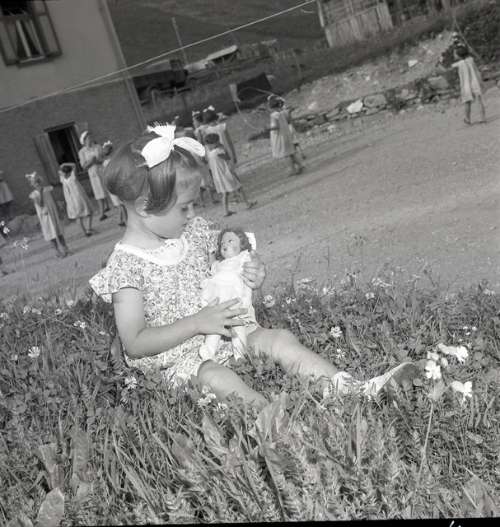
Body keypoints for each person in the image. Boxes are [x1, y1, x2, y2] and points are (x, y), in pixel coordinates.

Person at [89, 126, 418, 409]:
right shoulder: (126, 266)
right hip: (178, 361)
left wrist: (249, 270)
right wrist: (196, 323)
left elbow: (228, 257)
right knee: (217, 377)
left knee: (280, 339)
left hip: (228, 336)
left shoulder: (192, 233)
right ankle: (273, 421)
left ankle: (352, 390)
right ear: (145, 208)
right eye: (184, 208)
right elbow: (135, 342)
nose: (192, 215)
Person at [199, 228, 257, 361]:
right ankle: (209, 349)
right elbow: (212, 266)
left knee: (237, 324)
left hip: (234, 295)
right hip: (219, 296)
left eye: (230, 241)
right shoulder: (220, 264)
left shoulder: (243, 258)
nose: (225, 245)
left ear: (241, 244)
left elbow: (248, 280)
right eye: (222, 243)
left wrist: (246, 298)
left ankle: (240, 354)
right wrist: (211, 254)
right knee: (216, 325)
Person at [205, 133, 256, 217]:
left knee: (225, 193)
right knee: (239, 188)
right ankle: (247, 203)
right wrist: (223, 147)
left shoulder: (210, 154)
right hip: (226, 173)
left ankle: (225, 211)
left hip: (218, 176)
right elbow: (227, 157)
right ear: (216, 142)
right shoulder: (218, 151)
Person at [26, 172, 69, 258]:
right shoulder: (34, 195)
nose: (36, 184)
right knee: (51, 233)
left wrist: (59, 211)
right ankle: (57, 251)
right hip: (45, 215)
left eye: (37, 181)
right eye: (34, 182)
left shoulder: (48, 189)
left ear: (40, 181)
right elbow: (40, 204)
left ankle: (65, 249)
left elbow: (54, 200)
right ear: (32, 185)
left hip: (53, 212)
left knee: (59, 232)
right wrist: (41, 192)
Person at [267, 94, 304, 176]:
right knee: (291, 153)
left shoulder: (273, 115)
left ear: (271, 106)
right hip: (286, 135)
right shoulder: (283, 113)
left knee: (286, 155)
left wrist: (268, 129)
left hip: (280, 137)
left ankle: (293, 170)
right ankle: (300, 166)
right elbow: (288, 120)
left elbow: (276, 127)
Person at [78, 131, 110, 221]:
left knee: (107, 188)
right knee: (98, 192)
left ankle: (115, 205)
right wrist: (91, 161)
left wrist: (97, 161)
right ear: (84, 141)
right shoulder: (82, 152)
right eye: (88, 138)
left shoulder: (98, 147)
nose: (90, 139)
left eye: (91, 137)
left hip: (102, 170)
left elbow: (103, 159)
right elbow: (83, 166)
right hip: (93, 174)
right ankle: (102, 213)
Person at [451, 45, 486, 125]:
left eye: (455, 54)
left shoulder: (459, 64)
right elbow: (477, 58)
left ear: (459, 55)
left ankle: (467, 119)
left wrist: (438, 65)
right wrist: (471, 51)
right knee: (479, 101)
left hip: (467, 86)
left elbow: (448, 69)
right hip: (476, 83)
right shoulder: (471, 59)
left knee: (467, 102)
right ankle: (482, 118)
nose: (454, 55)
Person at [59, 162, 94, 237]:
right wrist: (65, 164)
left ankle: (84, 231)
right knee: (89, 213)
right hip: (79, 198)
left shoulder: (63, 180)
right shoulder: (73, 177)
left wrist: (62, 166)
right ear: (70, 172)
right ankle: (88, 229)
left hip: (70, 201)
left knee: (78, 217)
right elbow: (74, 165)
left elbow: (60, 171)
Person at [102, 141, 127, 227]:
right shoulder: (113, 161)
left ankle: (120, 220)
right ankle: (126, 220)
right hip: (115, 183)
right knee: (121, 204)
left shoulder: (105, 163)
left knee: (120, 204)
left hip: (112, 184)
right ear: (111, 151)